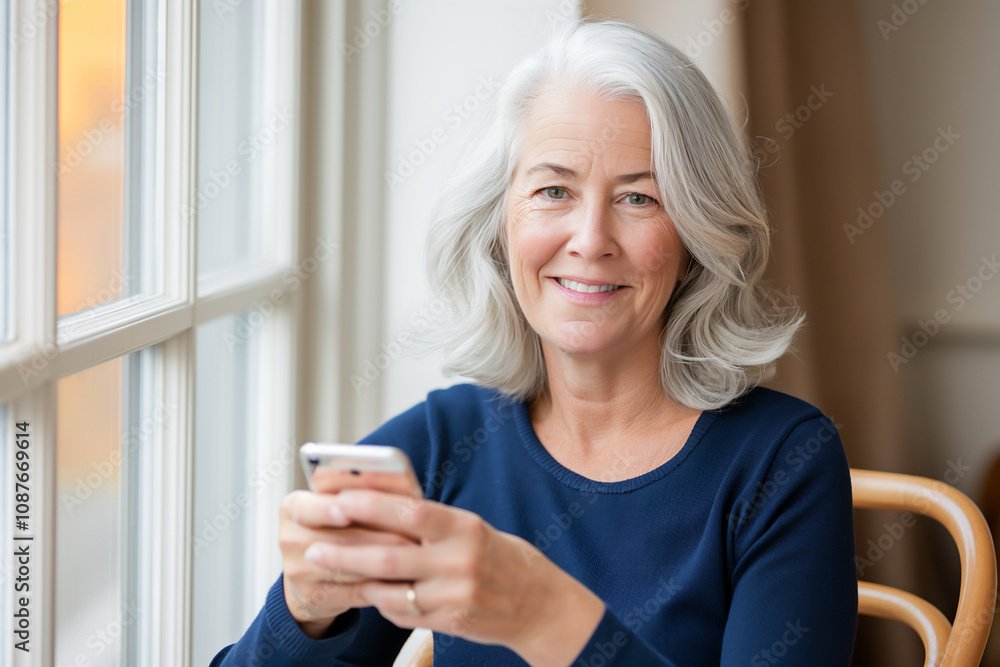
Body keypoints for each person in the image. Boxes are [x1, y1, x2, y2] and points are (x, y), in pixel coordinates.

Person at [211, 18, 857, 667]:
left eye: (638, 197)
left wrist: (549, 616)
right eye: (554, 190)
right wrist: (303, 612)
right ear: (501, 223)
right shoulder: (438, 448)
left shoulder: (785, 462)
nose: (589, 237)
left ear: (694, 238)